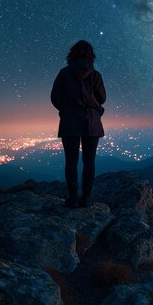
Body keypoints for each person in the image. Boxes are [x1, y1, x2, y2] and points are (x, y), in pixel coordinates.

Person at [50, 40, 106, 208]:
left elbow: (54, 97)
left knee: (71, 161)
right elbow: (102, 98)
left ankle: (73, 198)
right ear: (91, 55)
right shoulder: (95, 75)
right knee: (89, 161)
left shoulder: (64, 73)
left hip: (69, 120)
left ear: (72, 54)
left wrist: (66, 108)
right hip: (92, 121)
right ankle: (87, 198)